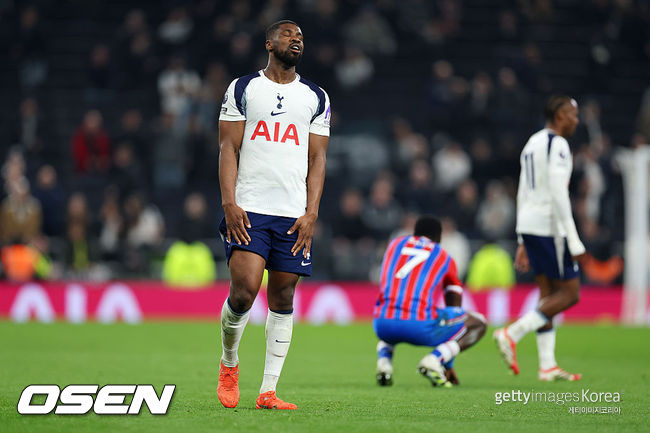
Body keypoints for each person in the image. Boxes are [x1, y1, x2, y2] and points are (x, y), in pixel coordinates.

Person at [217, 20, 330, 410]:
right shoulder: (243, 88)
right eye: (288, 34)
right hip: (249, 208)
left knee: (283, 296)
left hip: (292, 214)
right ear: (269, 43)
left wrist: (312, 213)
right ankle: (229, 363)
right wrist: (229, 203)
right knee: (244, 291)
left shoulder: (316, 96)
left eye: (301, 37)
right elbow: (228, 148)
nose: (296, 39)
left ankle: (268, 391)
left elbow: (318, 158)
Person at [494, 95, 586, 381]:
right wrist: (573, 238)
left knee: (548, 295)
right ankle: (512, 333)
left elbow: (523, 190)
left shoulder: (532, 143)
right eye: (573, 114)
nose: (576, 120)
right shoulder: (558, 145)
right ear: (559, 116)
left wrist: (522, 238)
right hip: (549, 226)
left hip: (530, 224)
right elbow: (558, 192)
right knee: (570, 294)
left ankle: (547, 366)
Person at [373, 216, 487, 387]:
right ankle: (434, 359)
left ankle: (384, 362)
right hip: (418, 325)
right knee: (479, 323)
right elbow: (454, 308)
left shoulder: (394, 244)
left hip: (381, 323)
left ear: (415, 233)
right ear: (438, 237)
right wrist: (447, 362)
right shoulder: (443, 256)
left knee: (394, 311)